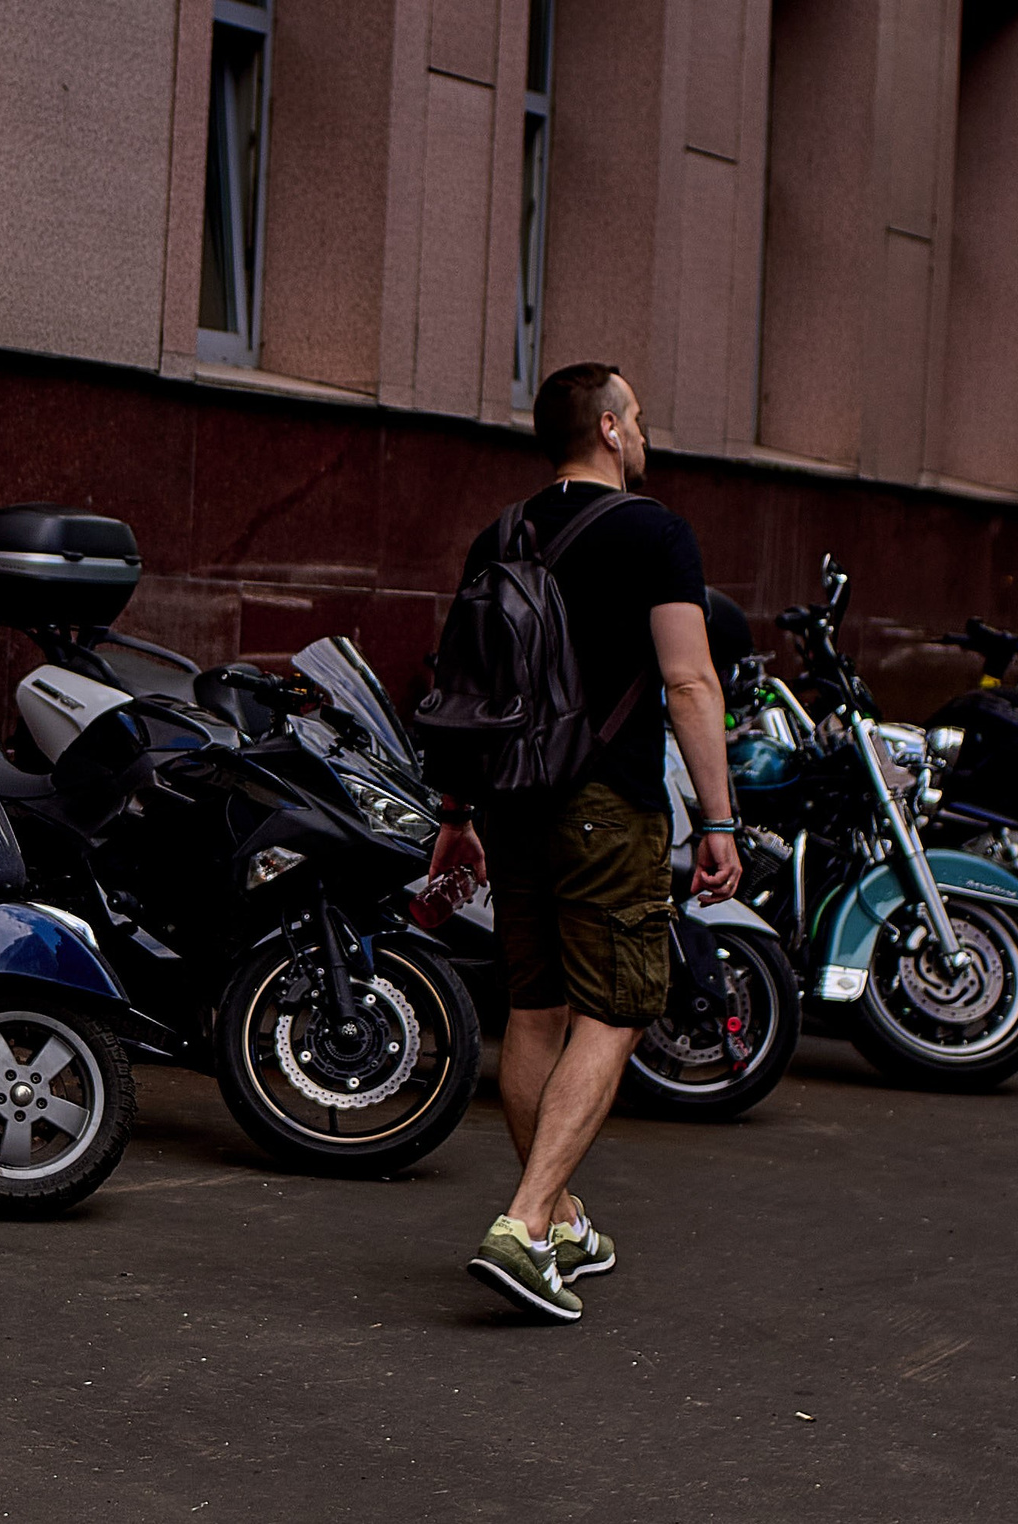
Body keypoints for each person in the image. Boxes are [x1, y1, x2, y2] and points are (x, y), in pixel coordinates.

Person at [427, 361, 741, 1323]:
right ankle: (523, 1227)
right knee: (614, 1010)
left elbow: (464, 684)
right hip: (606, 801)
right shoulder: (655, 532)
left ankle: (558, 1218)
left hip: (512, 803)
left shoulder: (500, 533)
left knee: (535, 1011)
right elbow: (687, 682)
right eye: (636, 416)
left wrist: (456, 817)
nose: (643, 432)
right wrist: (719, 820)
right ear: (608, 429)